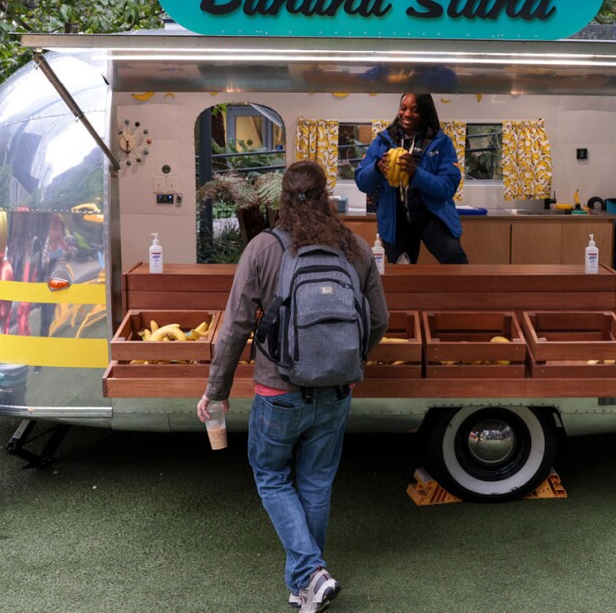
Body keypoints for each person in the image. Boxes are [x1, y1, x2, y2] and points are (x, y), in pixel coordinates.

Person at [198, 161, 389, 613]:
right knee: (316, 482)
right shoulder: (356, 249)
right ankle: (303, 582)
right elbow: (379, 320)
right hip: (337, 391)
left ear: (281, 198)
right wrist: (347, 357)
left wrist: (216, 390)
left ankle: (308, 573)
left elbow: (235, 327)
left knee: (270, 475)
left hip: (277, 390)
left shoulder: (263, 248)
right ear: (327, 197)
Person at [354, 93, 468, 264]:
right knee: (402, 274)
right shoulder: (383, 141)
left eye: (415, 110)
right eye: (403, 108)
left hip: (431, 217)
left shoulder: (441, 142)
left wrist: (416, 173)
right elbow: (362, 182)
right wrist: (377, 167)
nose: (407, 114)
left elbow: (448, 187)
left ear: (425, 112)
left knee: (456, 262)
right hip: (395, 221)